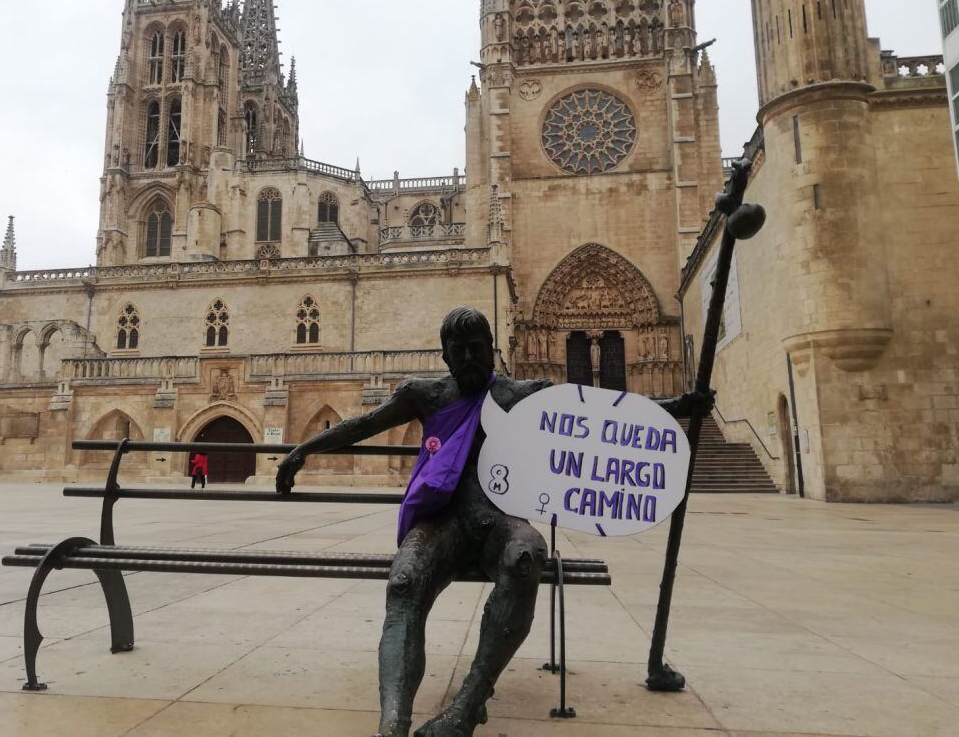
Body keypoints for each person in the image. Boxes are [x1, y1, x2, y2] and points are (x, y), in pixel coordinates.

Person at [276, 307, 711, 737]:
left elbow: (603, 417)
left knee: (527, 555)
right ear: (445, 356)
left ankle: (465, 710)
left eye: (476, 348)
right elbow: (363, 423)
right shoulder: (426, 395)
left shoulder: (519, 395)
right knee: (404, 581)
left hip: (498, 521)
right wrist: (302, 450)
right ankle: (392, 726)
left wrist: (677, 406)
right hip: (442, 522)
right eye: (458, 350)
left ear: (492, 349)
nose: (467, 358)